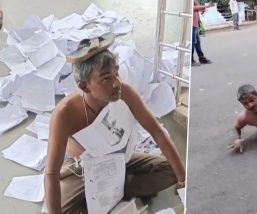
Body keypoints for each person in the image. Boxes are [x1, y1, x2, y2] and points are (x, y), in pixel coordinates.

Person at [44, 34, 186, 213]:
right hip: (88, 169)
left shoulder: (126, 94)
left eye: (116, 73)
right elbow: (51, 173)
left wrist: (182, 179)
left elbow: (157, 132)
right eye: (105, 78)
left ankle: (117, 191)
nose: (116, 83)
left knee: (169, 170)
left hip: (120, 161)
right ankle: (105, 195)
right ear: (84, 87)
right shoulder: (65, 113)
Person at [192, 0, 214, 66]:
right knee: (193, 43)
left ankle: (201, 58)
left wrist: (204, 9)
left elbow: (197, 8)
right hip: (192, 24)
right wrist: (206, 6)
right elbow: (192, 8)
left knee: (197, 43)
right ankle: (191, 60)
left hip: (196, 23)